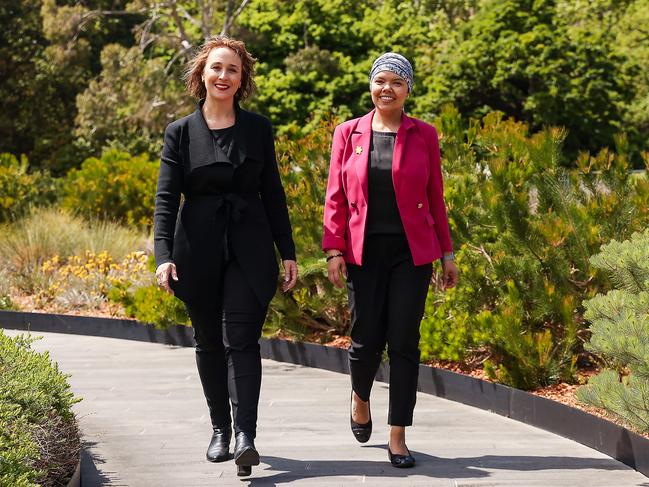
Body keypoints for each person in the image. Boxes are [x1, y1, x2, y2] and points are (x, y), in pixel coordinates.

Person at [153, 35, 298, 477]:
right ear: (202, 74)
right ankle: (220, 428)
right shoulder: (180, 132)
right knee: (209, 343)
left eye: (232, 70)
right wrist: (162, 255)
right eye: (216, 68)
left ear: (242, 79)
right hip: (195, 250)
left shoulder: (257, 128)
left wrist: (287, 252)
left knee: (242, 340)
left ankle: (246, 436)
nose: (223, 76)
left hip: (249, 248)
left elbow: (272, 194)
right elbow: (165, 198)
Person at [322, 52, 459, 468]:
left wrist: (447, 253)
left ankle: (397, 435)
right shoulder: (348, 133)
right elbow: (335, 196)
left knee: (403, 341)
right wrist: (333, 249)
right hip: (363, 253)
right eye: (381, 80)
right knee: (365, 340)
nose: (388, 88)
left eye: (397, 82)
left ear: (407, 90)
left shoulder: (424, 135)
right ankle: (360, 397)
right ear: (371, 85)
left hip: (411, 254)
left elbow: (435, 196)